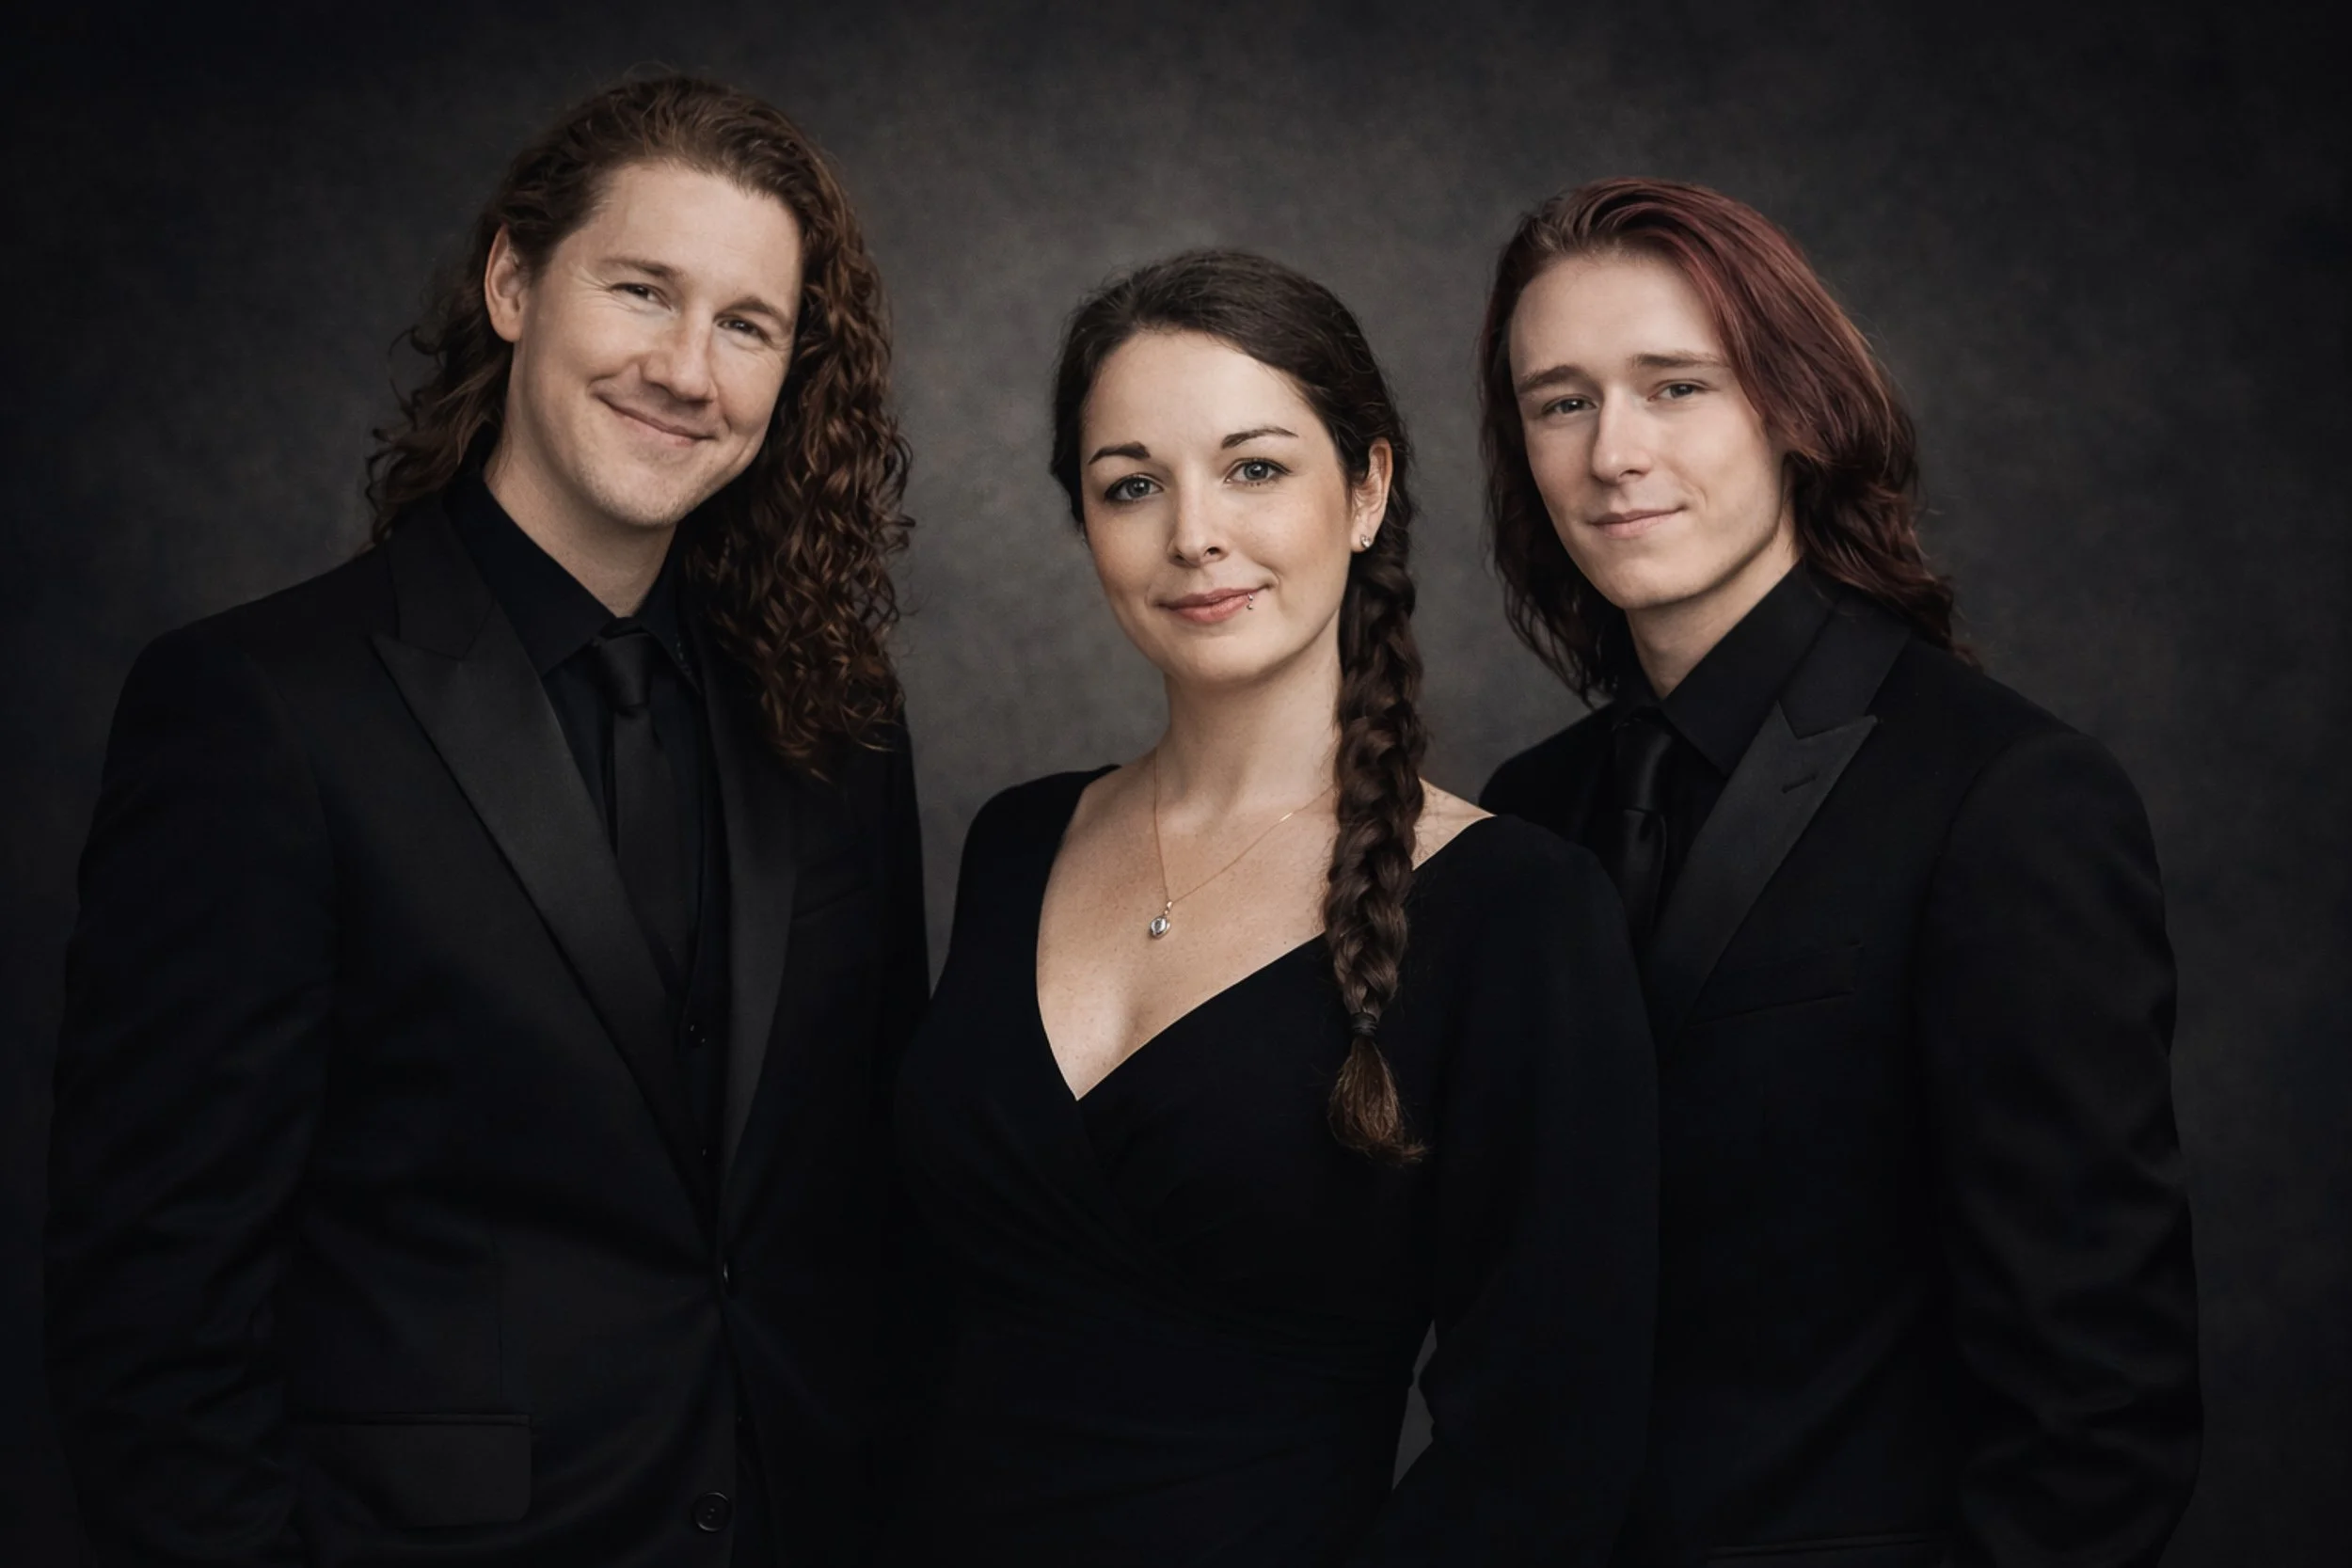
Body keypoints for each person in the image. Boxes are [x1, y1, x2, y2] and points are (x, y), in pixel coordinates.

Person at [44, 76, 927, 1565]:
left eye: (747, 324)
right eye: (642, 289)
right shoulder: (258, 709)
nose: (686, 368)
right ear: (513, 282)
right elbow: (153, 1312)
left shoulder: (840, 722)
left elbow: (869, 1216)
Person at [885, 249, 1655, 1566]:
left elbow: (1547, 1445)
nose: (1194, 533)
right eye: (1132, 484)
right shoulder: (1018, 840)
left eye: (1254, 468)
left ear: (1365, 490)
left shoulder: (1517, 909)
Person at [1477, 179, 2201, 1567]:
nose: (1613, 452)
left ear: (1795, 411)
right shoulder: (1531, 812)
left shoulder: (2004, 798)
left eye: (1675, 385)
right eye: (1559, 401)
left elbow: (2101, 1413)